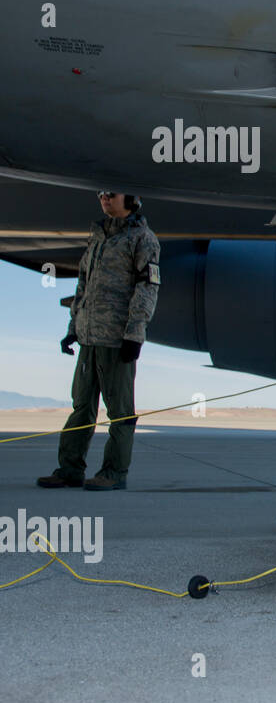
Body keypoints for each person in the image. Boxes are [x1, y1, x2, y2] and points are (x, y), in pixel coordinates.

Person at [38, 191, 161, 491]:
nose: (105, 198)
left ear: (130, 199)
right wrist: (73, 328)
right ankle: (69, 469)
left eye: (112, 194)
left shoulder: (143, 239)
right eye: (101, 194)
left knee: (119, 411)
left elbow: (147, 288)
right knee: (81, 406)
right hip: (89, 337)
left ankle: (114, 472)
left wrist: (135, 334)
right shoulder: (97, 237)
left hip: (117, 340)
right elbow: (84, 286)